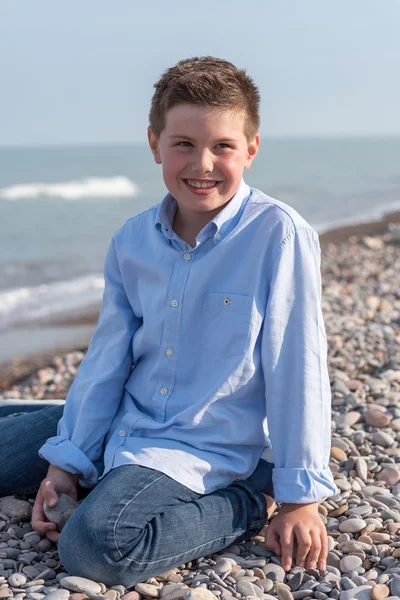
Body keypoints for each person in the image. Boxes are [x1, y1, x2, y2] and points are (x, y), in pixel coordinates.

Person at [0, 56, 338, 588]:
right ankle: (61, 433)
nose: (202, 163)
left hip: (206, 443)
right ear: (154, 143)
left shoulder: (279, 236)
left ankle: (250, 496)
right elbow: (109, 357)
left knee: (94, 547)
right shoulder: (133, 241)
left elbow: (297, 366)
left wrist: (300, 497)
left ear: (250, 149)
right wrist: (65, 462)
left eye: (222, 146)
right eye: (183, 143)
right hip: (127, 418)